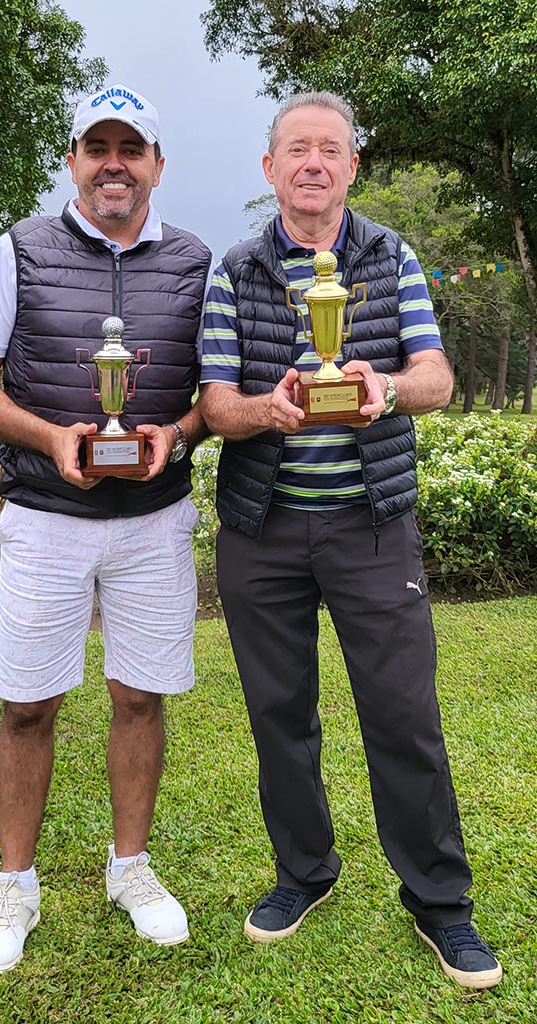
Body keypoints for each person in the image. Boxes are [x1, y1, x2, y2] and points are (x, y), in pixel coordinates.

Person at [199, 91, 502, 990]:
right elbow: (216, 402)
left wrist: (388, 392)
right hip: (262, 527)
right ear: (270, 169)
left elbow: (437, 376)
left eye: (330, 149)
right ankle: (305, 872)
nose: (313, 163)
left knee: (403, 713)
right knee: (278, 714)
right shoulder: (237, 269)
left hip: (373, 524)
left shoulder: (391, 255)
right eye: (297, 149)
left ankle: (440, 902)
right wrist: (270, 408)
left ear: (351, 167)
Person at [0, 83, 211, 974]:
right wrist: (53, 434)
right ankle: (15, 884)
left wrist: (174, 436)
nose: (113, 164)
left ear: (156, 166)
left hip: (154, 518)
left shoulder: (194, 259)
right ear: (72, 160)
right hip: (47, 517)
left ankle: (128, 867)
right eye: (96, 147)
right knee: (27, 705)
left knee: (140, 695)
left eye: (129, 149)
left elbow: (212, 398)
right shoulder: (18, 248)